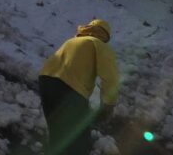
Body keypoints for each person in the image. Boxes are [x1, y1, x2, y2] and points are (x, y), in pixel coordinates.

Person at [38, 19, 119, 155]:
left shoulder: (71, 41)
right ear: (105, 36)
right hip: (70, 88)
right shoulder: (98, 44)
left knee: (57, 133)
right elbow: (110, 78)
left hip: (46, 80)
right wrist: (108, 104)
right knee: (80, 135)